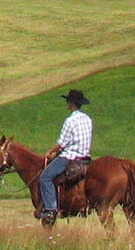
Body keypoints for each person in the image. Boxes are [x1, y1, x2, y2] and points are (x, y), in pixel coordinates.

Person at [37, 90, 92, 223]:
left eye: (68, 101)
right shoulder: (88, 119)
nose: (67, 103)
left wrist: (50, 152)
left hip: (70, 157)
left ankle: (50, 209)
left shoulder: (70, 121)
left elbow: (61, 144)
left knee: (45, 177)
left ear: (71, 103)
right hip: (85, 157)